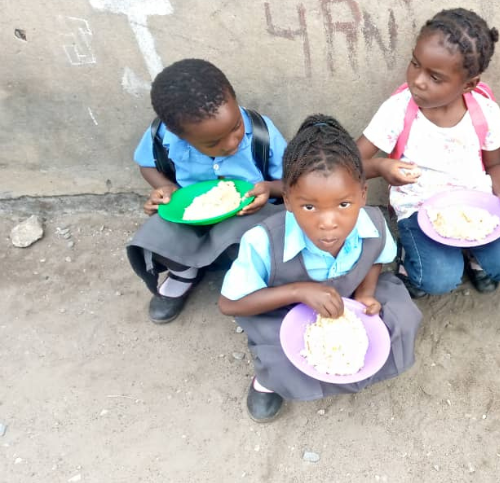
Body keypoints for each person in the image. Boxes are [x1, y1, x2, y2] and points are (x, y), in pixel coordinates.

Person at [218, 115, 422, 422]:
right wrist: (298, 291)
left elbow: (377, 257)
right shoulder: (263, 241)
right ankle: (268, 382)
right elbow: (229, 303)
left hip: (348, 297)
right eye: (309, 207)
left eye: (343, 205)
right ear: (287, 200)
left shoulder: (374, 224)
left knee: (400, 319)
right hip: (285, 309)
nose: (328, 222)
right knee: (280, 355)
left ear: (363, 195)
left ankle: (353, 364)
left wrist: (366, 294)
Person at [356, 7, 500, 298]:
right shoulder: (399, 109)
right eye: (415, 64)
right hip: (418, 206)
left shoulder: (484, 111)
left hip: (475, 209)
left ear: (469, 84)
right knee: (437, 280)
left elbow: (496, 164)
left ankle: (475, 255)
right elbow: (352, 163)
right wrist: (381, 168)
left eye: (435, 77)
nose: (418, 80)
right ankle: (408, 259)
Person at [127, 58, 287, 323]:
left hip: (246, 214)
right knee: (154, 232)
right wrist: (165, 188)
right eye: (214, 142)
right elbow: (146, 165)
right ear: (181, 136)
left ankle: (252, 279)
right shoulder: (161, 135)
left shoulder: (261, 132)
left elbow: (292, 182)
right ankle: (184, 271)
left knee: (247, 237)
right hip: (193, 213)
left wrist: (269, 188)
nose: (232, 142)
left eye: (236, 127)